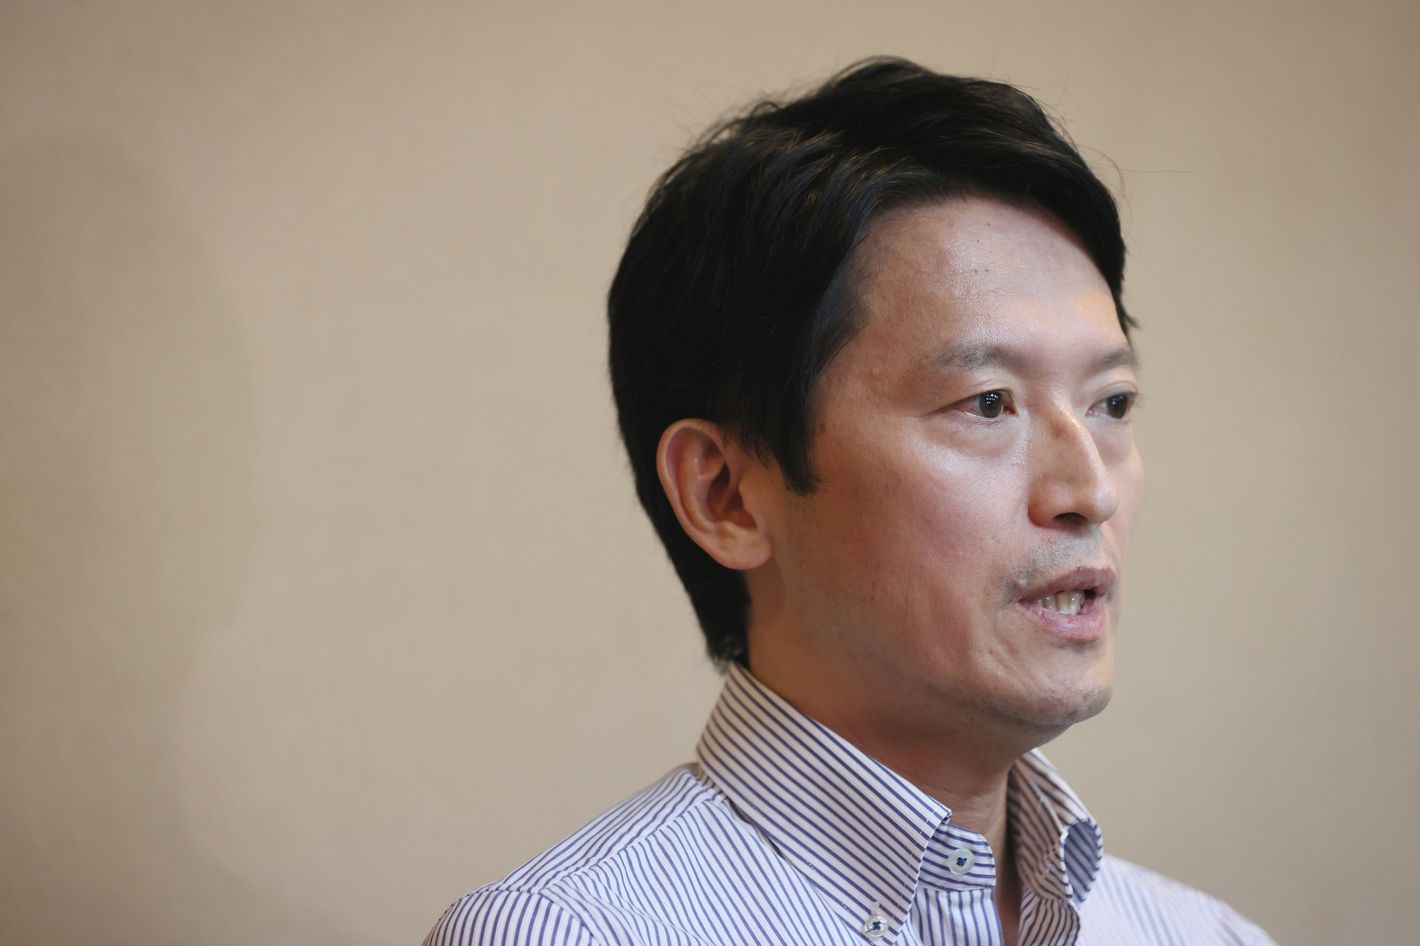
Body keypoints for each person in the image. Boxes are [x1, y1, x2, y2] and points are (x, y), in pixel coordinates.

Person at [424, 57, 1275, 946]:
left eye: (1112, 404)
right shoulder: (567, 932)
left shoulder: (1207, 936)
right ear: (727, 495)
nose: (1089, 491)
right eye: (988, 403)